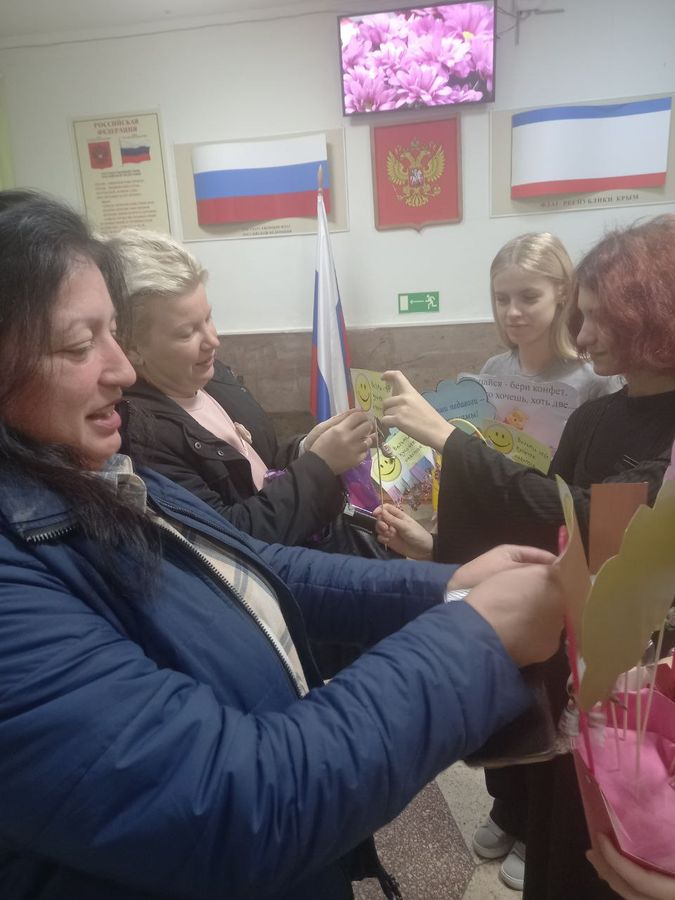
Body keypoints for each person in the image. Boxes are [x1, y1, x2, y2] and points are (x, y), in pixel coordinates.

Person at [0, 192, 566, 900]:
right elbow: (236, 804)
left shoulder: (89, 468)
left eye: (112, 332)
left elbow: (245, 563)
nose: (121, 370)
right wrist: (473, 637)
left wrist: (445, 586)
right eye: (79, 346)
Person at [378, 214, 675, 899]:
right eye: (581, 316)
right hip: (575, 650)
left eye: (599, 318)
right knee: (558, 813)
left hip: (642, 674)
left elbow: (604, 524)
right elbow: (549, 527)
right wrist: (439, 550)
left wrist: (452, 442)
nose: (584, 336)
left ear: (651, 317)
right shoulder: (596, 416)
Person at [107, 228, 384, 554]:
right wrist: (320, 466)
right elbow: (231, 538)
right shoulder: (141, 435)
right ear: (131, 346)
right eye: (187, 333)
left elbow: (263, 469)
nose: (213, 340)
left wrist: (307, 448)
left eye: (208, 318)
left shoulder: (211, 377)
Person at [481, 231, 621, 403]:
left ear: (563, 291)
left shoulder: (594, 380)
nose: (512, 312)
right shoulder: (493, 370)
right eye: (502, 300)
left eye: (529, 297)